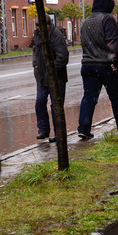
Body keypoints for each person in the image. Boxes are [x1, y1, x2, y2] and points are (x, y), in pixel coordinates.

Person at [78, 0, 118, 140]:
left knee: (89, 98)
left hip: (87, 65)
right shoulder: (107, 19)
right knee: (116, 97)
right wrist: (115, 61)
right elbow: (112, 42)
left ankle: (83, 129)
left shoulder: (86, 21)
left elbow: (84, 43)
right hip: (105, 65)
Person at [32, 15, 69, 143]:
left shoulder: (56, 35)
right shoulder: (37, 34)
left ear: (48, 24)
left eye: (41, 26)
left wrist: (51, 70)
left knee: (56, 106)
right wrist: (35, 64)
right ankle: (43, 130)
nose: (39, 29)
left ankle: (59, 133)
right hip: (41, 77)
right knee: (40, 103)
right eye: (37, 27)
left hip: (56, 78)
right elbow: (35, 51)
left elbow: (63, 57)